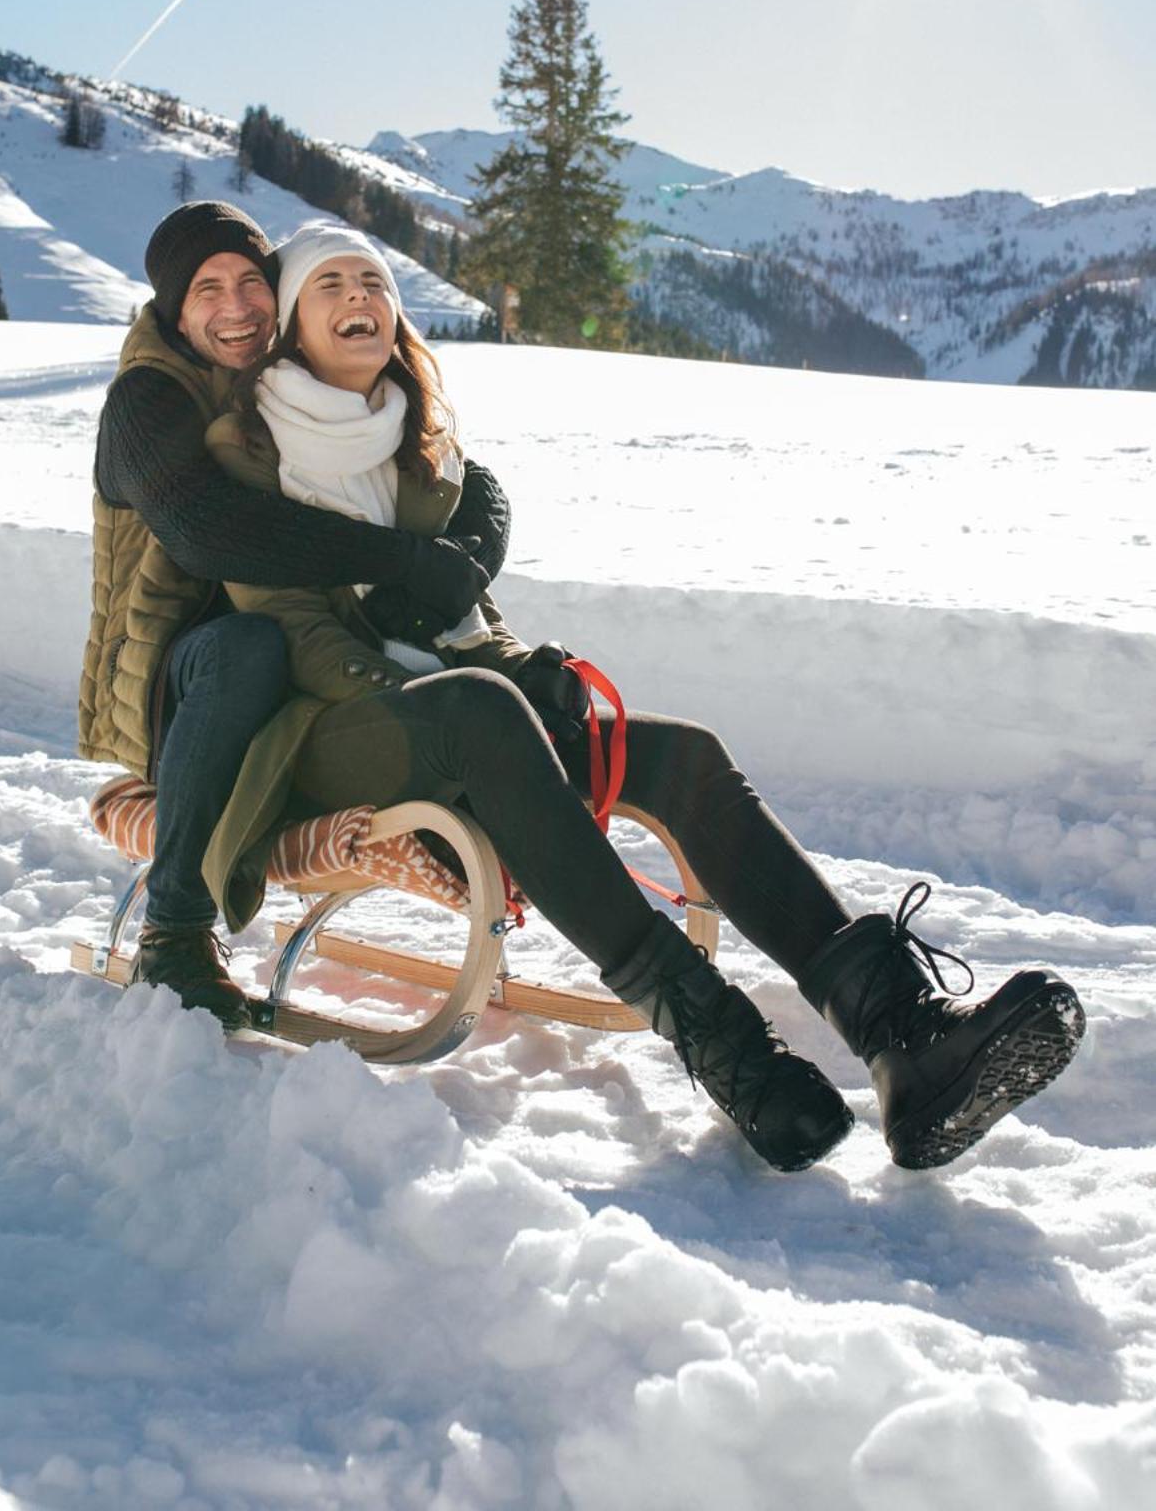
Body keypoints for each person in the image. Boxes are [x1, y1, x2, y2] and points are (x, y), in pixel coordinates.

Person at [200, 221, 1086, 1174]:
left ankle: (900, 1037)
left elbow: (467, 614)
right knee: (480, 710)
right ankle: (723, 1047)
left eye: (372, 279)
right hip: (322, 734)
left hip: (459, 719)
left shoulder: (418, 445)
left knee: (679, 755)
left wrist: (521, 665)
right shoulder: (250, 446)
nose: (358, 296)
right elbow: (292, 630)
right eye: (328, 282)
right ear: (290, 322)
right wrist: (465, 686)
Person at [80, 199, 512, 1030]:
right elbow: (215, 535)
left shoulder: (281, 380)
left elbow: (464, 478)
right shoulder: (148, 400)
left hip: (306, 648)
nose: (235, 306)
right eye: (206, 290)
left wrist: (460, 563)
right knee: (248, 644)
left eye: (251, 282)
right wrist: (404, 563)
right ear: (173, 308)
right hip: (175, 678)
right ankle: (172, 932)